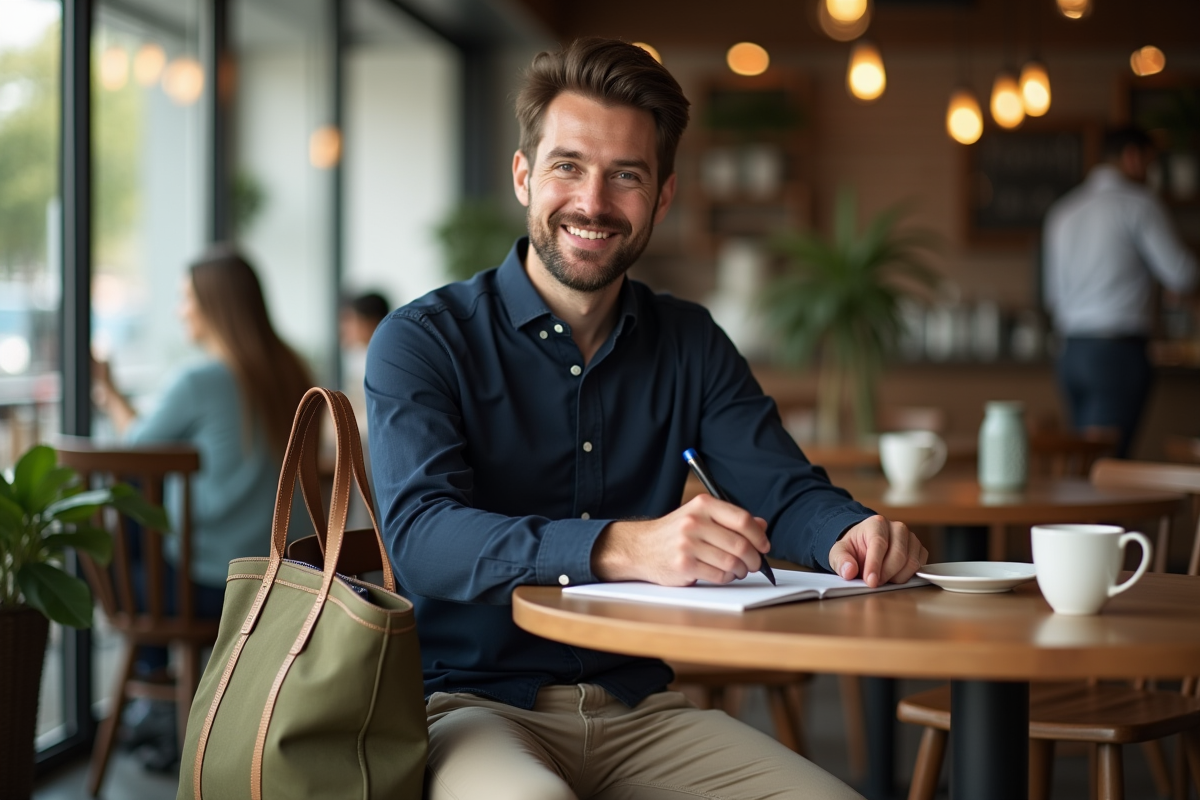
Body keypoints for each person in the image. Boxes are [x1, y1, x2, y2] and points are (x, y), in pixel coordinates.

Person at [366, 38, 926, 800]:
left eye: (625, 176)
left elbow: (782, 488)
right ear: (525, 176)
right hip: (469, 706)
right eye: (568, 166)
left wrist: (848, 532)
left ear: (660, 197)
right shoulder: (424, 339)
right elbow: (423, 537)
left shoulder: (689, 339)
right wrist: (623, 547)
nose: (593, 202)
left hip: (643, 713)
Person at [92, 245, 314, 766]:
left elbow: (136, 448)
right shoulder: (292, 367)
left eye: (185, 297)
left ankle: (156, 697)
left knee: (105, 547)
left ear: (215, 306)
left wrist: (106, 389)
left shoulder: (202, 379)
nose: (179, 309)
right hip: (285, 579)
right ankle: (160, 700)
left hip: (216, 587)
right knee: (135, 531)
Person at [1044, 126, 1198, 457]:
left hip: (1071, 351)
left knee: (1085, 463)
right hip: (1115, 353)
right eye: (1150, 163)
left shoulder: (1062, 212)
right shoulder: (1138, 204)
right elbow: (1183, 273)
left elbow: (1052, 296)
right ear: (1133, 157)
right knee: (1103, 467)